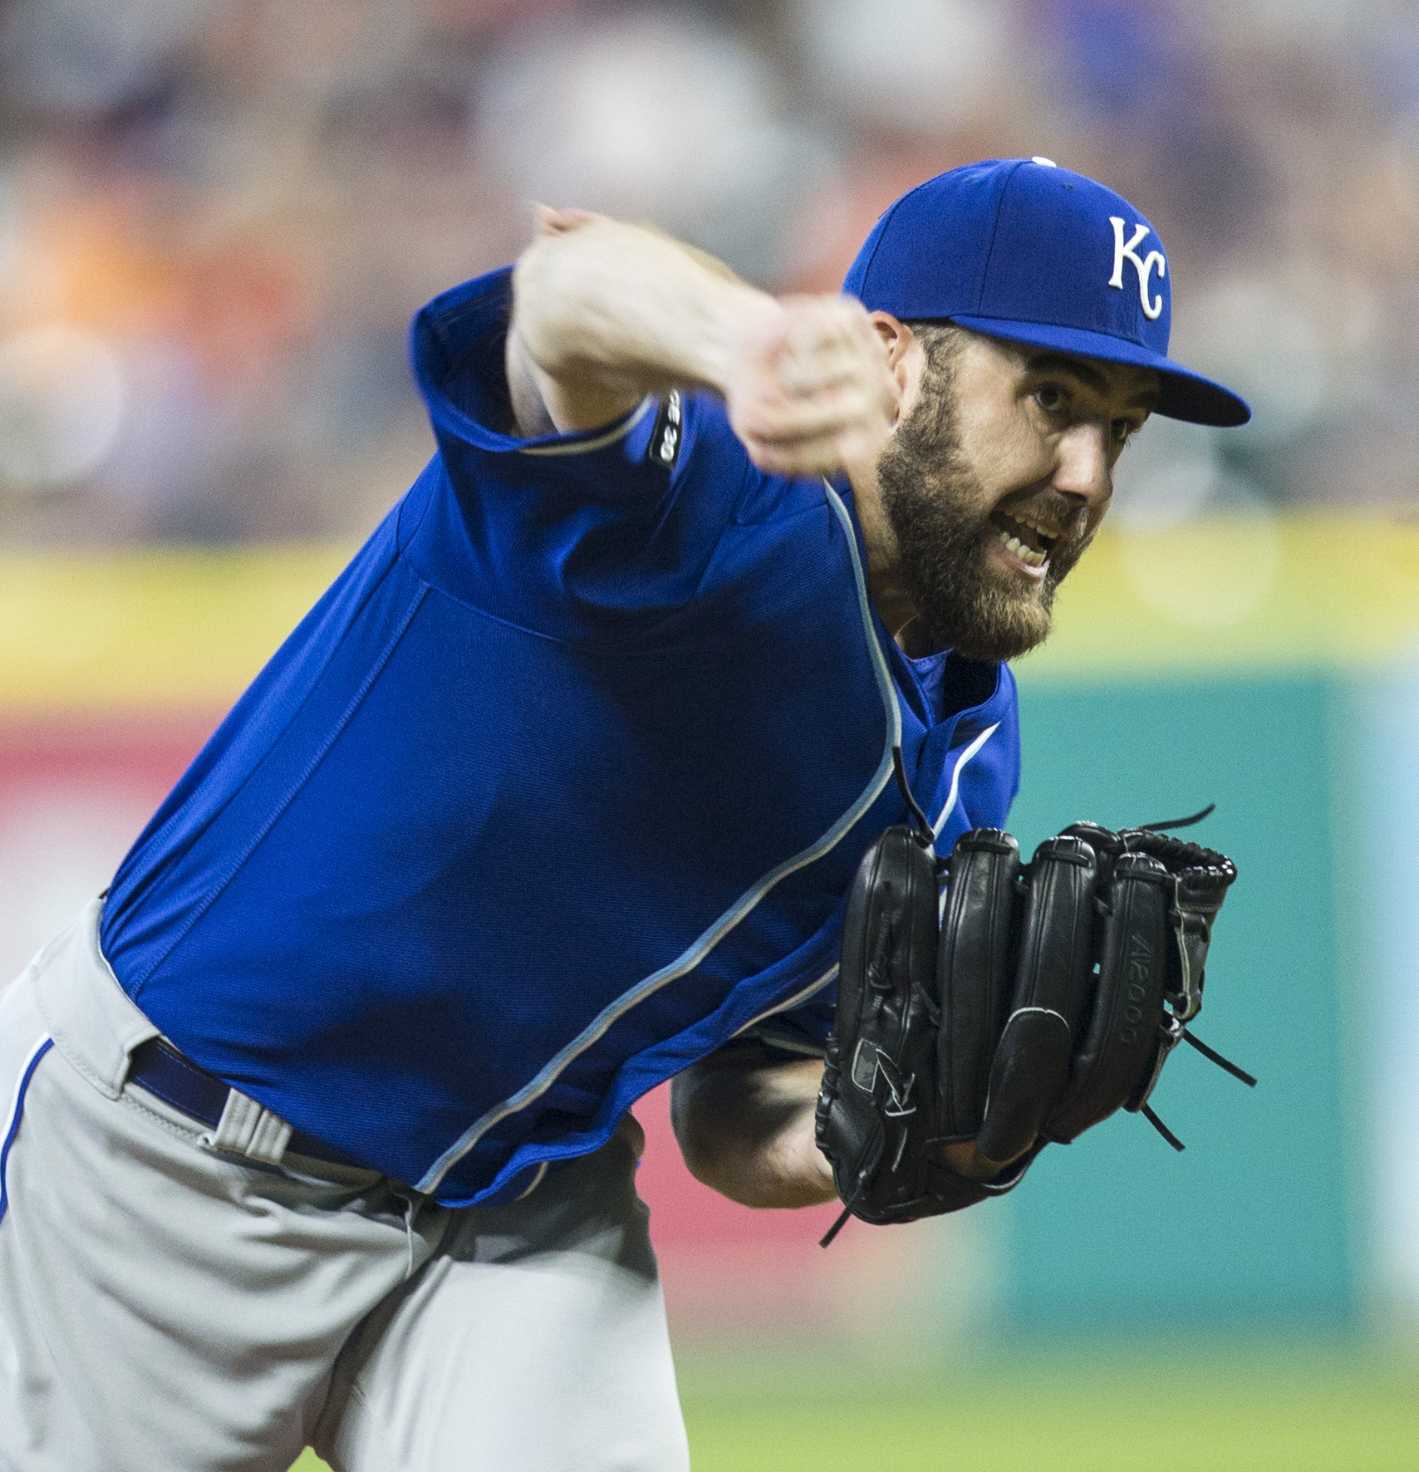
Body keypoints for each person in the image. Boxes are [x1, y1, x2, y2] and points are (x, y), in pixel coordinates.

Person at [0, 157, 1247, 1472]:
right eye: (1049, 399)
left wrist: (890, 1116)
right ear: (893, 362)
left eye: (1122, 428)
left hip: (513, 1208)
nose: (1085, 474)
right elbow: (564, 295)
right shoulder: (705, 481)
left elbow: (734, 1107)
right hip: (171, 1157)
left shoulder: (966, 752)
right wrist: (743, 340)